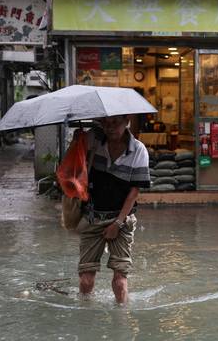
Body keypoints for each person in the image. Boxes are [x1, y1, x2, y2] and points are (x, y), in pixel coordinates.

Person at [76, 115, 150, 304]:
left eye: (116, 123)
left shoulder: (138, 150)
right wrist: (77, 142)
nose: (111, 128)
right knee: (86, 280)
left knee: (119, 282)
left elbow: (134, 191)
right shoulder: (93, 139)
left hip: (122, 219)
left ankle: (122, 320)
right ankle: (85, 317)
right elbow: (73, 164)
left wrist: (117, 223)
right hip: (92, 217)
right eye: (106, 123)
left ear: (127, 122)